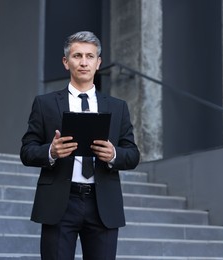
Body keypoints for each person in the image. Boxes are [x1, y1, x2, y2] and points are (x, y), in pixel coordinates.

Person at [20, 31, 140, 259]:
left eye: (90, 56)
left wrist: (114, 154)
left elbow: (133, 154)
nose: (84, 62)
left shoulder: (117, 107)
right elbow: (26, 151)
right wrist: (51, 151)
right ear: (66, 62)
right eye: (77, 56)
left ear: (98, 62)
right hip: (59, 203)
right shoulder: (44, 104)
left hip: (102, 203)